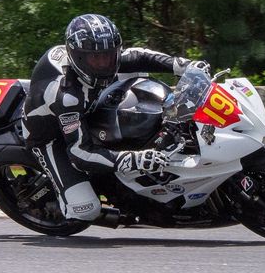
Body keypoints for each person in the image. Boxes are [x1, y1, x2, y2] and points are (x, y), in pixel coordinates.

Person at [22, 14, 209, 223]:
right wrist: (133, 159)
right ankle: (82, 206)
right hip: (50, 137)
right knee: (86, 209)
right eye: (96, 58)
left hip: (88, 109)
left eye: (109, 55)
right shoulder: (67, 97)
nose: (104, 64)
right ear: (79, 57)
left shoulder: (101, 62)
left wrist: (184, 66)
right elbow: (79, 152)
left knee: (138, 79)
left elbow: (138, 56)